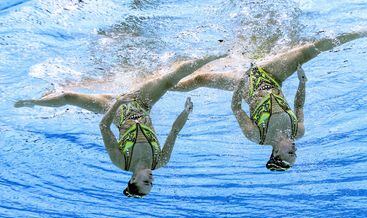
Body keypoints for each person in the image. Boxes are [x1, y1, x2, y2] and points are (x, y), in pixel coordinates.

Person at [172, 27, 367, 171]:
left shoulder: (257, 136)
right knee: (310, 50)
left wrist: (241, 83)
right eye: (294, 154)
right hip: (274, 77)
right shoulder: (298, 131)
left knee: (201, 78)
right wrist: (302, 83)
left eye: (291, 154)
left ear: (277, 154)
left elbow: (236, 108)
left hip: (247, 87)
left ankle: (165, 85)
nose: (295, 150)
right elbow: (299, 105)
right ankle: (360, 33)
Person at [14, 55, 222, 197]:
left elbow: (104, 127)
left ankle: (34, 102)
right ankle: (217, 54)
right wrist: (185, 113)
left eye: (146, 183)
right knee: (167, 81)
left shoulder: (120, 160)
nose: (152, 179)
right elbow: (175, 131)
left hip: (113, 108)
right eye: (152, 184)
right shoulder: (161, 160)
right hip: (143, 103)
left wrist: (116, 104)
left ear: (133, 178)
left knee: (69, 96)